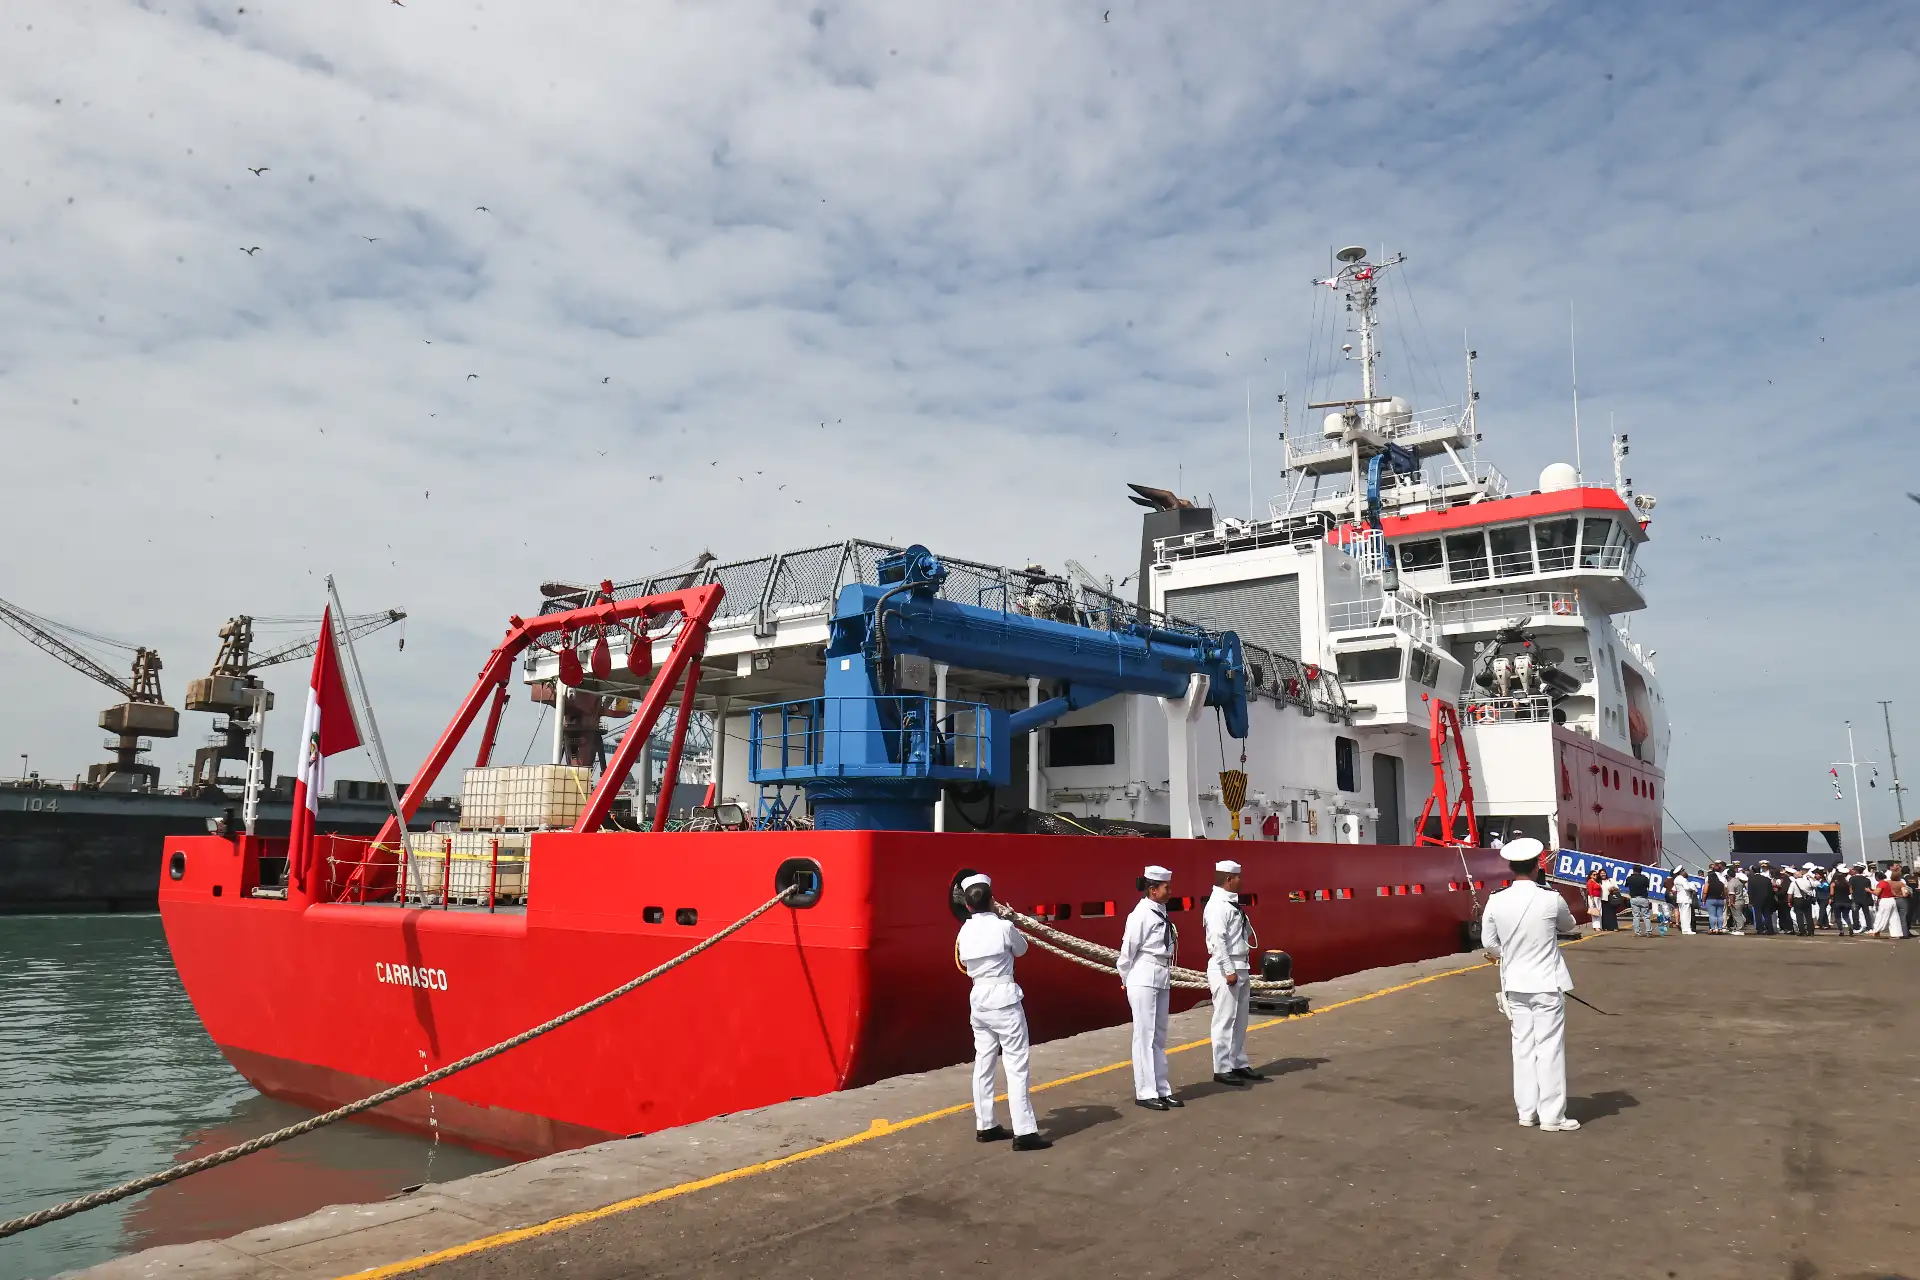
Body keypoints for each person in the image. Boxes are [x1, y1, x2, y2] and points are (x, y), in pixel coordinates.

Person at [1479, 837, 1581, 1133]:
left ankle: (1526, 1112)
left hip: (1515, 984)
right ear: (1538, 866)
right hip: (1547, 983)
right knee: (1549, 1048)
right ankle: (1552, 1116)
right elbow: (1570, 925)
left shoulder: (1496, 899)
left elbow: (1489, 943)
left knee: (1522, 1047)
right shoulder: (1550, 898)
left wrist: (1508, 954)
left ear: (1511, 868)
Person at [954, 873, 1050, 1151]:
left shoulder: (964, 931)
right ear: (993, 901)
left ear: (969, 906)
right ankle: (1025, 1132)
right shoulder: (1004, 927)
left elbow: (961, 959)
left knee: (983, 1063)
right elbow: (1022, 950)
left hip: (979, 999)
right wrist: (1010, 920)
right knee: (1016, 1066)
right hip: (1004, 999)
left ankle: (985, 1124)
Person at [1116, 864, 1181, 1111]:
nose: (1170, 891)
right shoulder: (1140, 914)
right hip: (1143, 975)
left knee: (1159, 1036)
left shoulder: (1159, 911)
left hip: (1161, 975)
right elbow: (1127, 951)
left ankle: (1162, 1089)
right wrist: (1125, 979)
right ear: (1153, 890)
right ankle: (1145, 1092)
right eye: (1167, 887)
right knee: (1144, 1036)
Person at [1203, 859, 1265, 1086]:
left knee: (1240, 1019)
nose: (1242, 881)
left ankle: (1238, 1062)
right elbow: (1217, 942)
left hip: (1242, 965)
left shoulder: (1231, 905)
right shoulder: (1218, 905)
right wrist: (1229, 970)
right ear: (1229, 879)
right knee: (1224, 1018)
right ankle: (1221, 1067)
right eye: (1239, 877)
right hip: (1225, 968)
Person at [1868, 866, 1907, 939]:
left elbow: (1877, 893)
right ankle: (1896, 933)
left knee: (1881, 916)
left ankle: (1876, 930)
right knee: (1894, 917)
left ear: (1877, 877)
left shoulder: (1881, 883)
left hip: (1885, 900)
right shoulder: (1887, 883)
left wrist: (1869, 891)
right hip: (1891, 900)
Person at [1624, 865, 1654, 937]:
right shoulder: (1645, 878)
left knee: (1636, 916)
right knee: (1646, 916)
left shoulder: (1629, 878)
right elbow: (1648, 886)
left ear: (1633, 870)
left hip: (1634, 898)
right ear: (1641, 870)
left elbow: (1626, 885)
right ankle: (1648, 932)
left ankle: (1637, 932)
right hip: (1643, 898)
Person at [1748, 861, 1777, 935]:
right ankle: (1770, 929)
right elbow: (1770, 891)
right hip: (1767, 899)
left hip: (1756, 900)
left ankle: (1760, 929)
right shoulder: (1766, 879)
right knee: (1767, 914)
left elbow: (1750, 891)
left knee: (1758, 915)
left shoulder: (1751, 879)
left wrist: (1751, 901)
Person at [1788, 865, 1815, 936]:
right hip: (1807, 899)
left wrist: (1789, 901)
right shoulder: (1808, 881)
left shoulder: (1793, 883)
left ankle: (1802, 931)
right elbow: (1817, 884)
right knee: (1809, 916)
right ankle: (1811, 931)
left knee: (1799, 916)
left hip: (1798, 899)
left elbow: (1790, 894)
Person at [1848, 863, 1875, 934]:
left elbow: (1850, 889)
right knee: (1867, 913)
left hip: (1856, 898)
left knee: (1855, 913)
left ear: (1856, 870)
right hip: (1865, 898)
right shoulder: (1867, 879)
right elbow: (1868, 889)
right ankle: (1869, 927)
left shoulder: (1852, 879)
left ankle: (1856, 927)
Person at [1703, 861, 1728, 934]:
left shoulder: (1709, 878)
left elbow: (1705, 889)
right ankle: (1720, 928)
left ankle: (1713, 929)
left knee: (1712, 915)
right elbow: (1725, 889)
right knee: (1720, 915)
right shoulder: (1723, 879)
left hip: (1710, 898)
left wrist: (1703, 899)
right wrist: (1725, 898)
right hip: (1720, 899)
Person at [1670, 866, 1697, 934]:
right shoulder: (1682, 879)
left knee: (1682, 914)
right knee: (1686, 915)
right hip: (1685, 898)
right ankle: (1687, 929)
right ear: (1681, 872)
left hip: (1680, 898)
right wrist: (1693, 888)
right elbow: (1687, 887)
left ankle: (1684, 928)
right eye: (1683, 871)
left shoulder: (1676, 879)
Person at [1585, 866, 1605, 933]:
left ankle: (1599, 926)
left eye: (1596, 874)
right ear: (1590, 876)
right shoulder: (1590, 882)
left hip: (1598, 898)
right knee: (1595, 912)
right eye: (1594, 874)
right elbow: (1590, 891)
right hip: (1593, 898)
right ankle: (1596, 927)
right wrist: (1592, 901)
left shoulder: (1596, 881)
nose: (1596, 875)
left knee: (1599, 912)